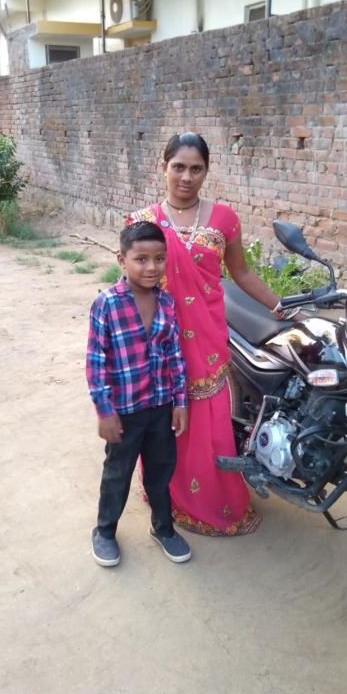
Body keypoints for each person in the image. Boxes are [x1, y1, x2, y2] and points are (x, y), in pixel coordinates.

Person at [128, 132, 296, 537]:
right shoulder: (142, 222)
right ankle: (167, 494)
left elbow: (241, 273)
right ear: (163, 167)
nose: (186, 177)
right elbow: (133, 287)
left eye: (196, 169)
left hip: (206, 338)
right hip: (161, 340)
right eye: (178, 167)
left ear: (206, 172)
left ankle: (213, 501)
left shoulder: (224, 218)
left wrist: (280, 306)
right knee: (163, 420)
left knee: (207, 419)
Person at [86, 221, 191, 566]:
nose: (151, 267)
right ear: (122, 260)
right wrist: (105, 411)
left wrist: (180, 402)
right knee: (118, 473)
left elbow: (175, 355)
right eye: (141, 259)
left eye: (159, 259)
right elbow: (96, 362)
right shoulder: (106, 304)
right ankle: (104, 532)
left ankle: (163, 528)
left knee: (161, 471)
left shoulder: (167, 302)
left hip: (160, 406)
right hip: (125, 411)